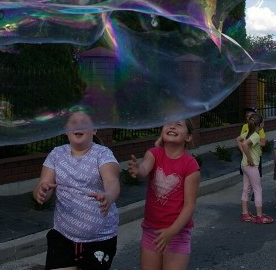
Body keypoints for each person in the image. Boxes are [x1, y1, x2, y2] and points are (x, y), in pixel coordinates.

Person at [34, 109, 120, 270]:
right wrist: (41, 192)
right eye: (73, 122)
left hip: (100, 239)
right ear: (65, 130)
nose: (77, 126)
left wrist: (108, 195)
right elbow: (43, 184)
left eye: (84, 123)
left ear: (94, 130)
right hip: (63, 235)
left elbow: (112, 180)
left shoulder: (102, 153)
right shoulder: (56, 154)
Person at [129, 119, 201, 270]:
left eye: (179, 124)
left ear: (188, 137)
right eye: (168, 123)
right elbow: (144, 168)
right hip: (151, 231)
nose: (172, 126)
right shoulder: (153, 153)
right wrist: (138, 170)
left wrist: (172, 231)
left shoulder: (190, 165)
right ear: (162, 133)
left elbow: (189, 205)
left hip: (178, 233)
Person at [236, 112, 273, 224]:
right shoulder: (256, 135)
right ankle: (260, 216)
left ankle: (245, 213)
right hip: (252, 166)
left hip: (244, 166)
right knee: (257, 189)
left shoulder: (248, 132)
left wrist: (244, 154)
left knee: (246, 189)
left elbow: (238, 139)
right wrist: (249, 158)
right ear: (260, 124)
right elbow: (245, 144)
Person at [239, 106, 265, 177]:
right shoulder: (244, 126)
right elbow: (240, 140)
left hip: (255, 156)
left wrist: (254, 142)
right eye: (247, 116)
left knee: (255, 178)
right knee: (246, 178)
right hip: (246, 157)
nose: (249, 118)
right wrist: (243, 152)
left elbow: (263, 143)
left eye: (251, 116)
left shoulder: (259, 129)